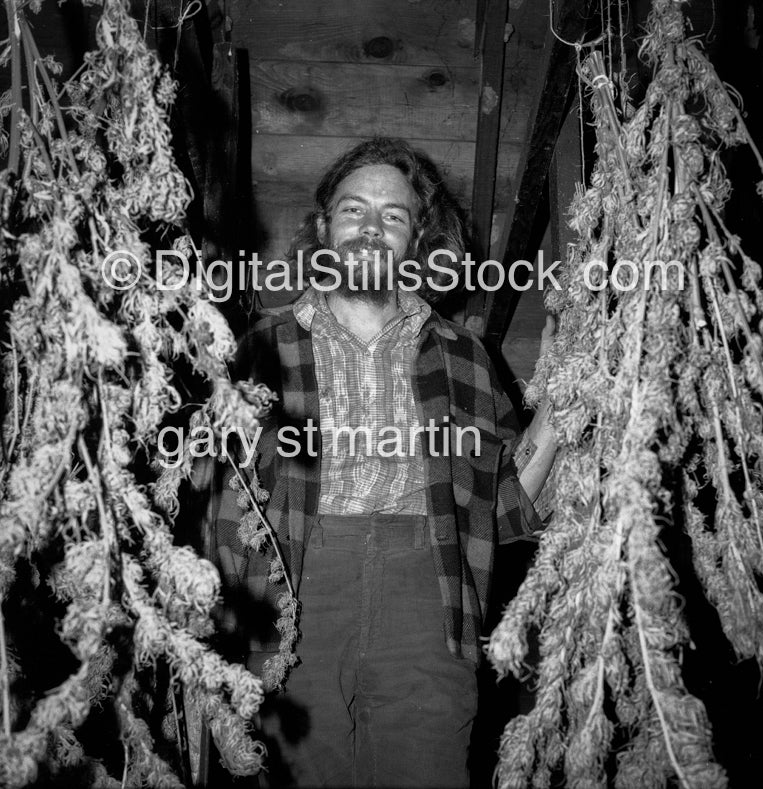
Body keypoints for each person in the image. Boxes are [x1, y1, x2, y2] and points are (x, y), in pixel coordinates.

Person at [209, 137, 557, 788]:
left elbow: (512, 506)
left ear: (419, 238)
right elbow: (214, 503)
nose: (370, 228)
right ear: (323, 228)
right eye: (353, 210)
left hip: (427, 599)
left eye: (392, 215)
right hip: (295, 594)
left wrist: (562, 413)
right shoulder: (259, 350)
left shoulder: (465, 357)